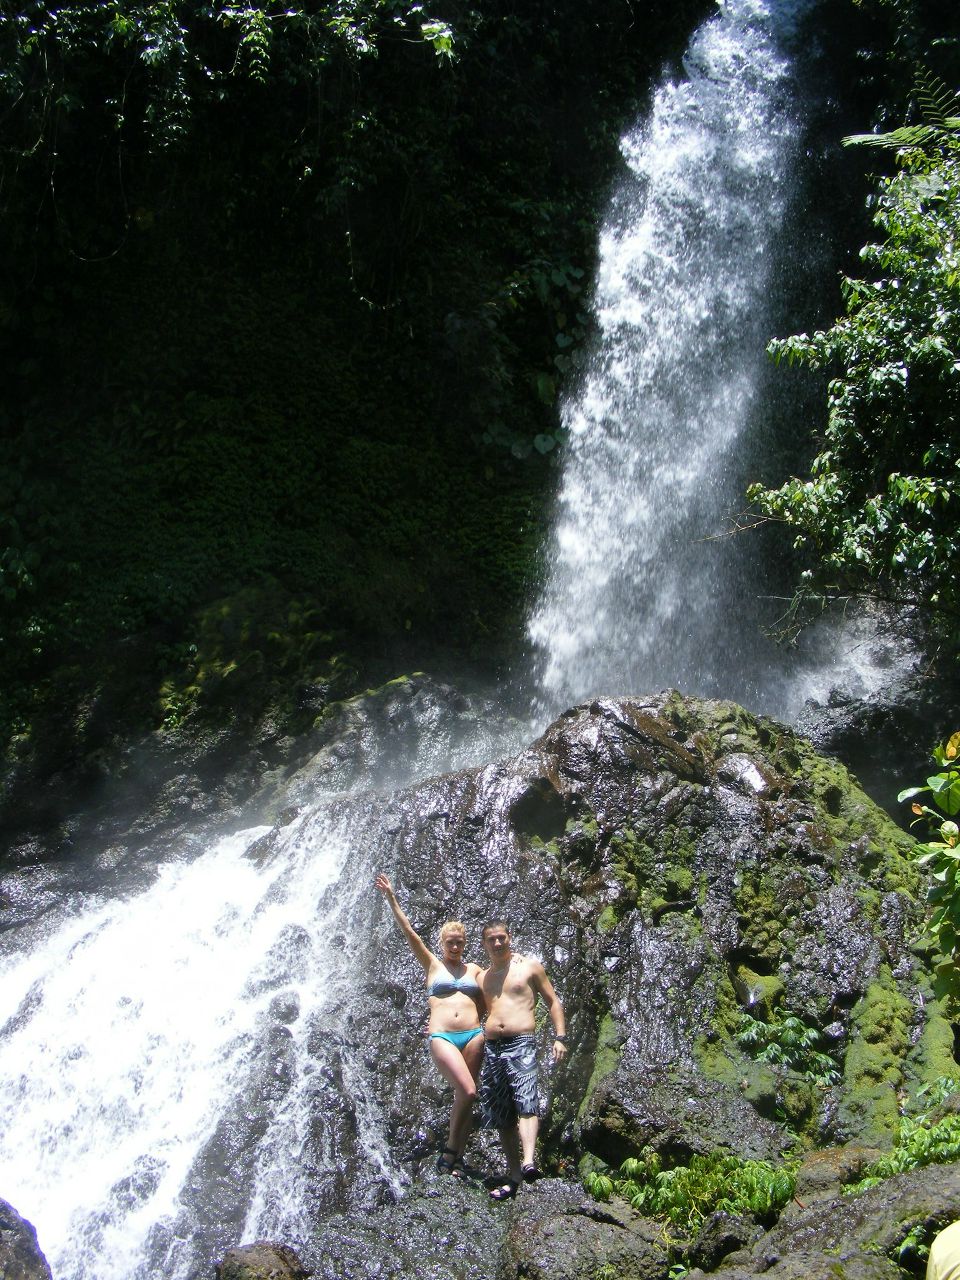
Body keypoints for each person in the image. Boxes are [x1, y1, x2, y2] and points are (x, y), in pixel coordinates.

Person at [374, 873, 485, 1176]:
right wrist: (391, 897)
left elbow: (496, 987)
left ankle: (458, 1158)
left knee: (466, 1096)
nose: (455, 946)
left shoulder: (475, 969)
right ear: (441, 943)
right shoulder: (433, 965)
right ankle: (451, 1148)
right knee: (469, 1091)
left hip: (474, 1035)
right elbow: (410, 932)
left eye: (459, 942)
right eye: (450, 942)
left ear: (465, 943)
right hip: (443, 1036)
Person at [478, 918, 566, 1200]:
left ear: (509, 937)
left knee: (526, 1098)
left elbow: (553, 1000)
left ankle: (529, 1161)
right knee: (501, 1112)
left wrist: (560, 1037)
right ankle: (514, 1173)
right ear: (484, 943)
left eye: (501, 937)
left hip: (521, 1042)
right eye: (491, 939)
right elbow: (464, 1006)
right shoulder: (483, 977)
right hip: (492, 1046)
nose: (497, 942)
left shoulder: (529, 966)